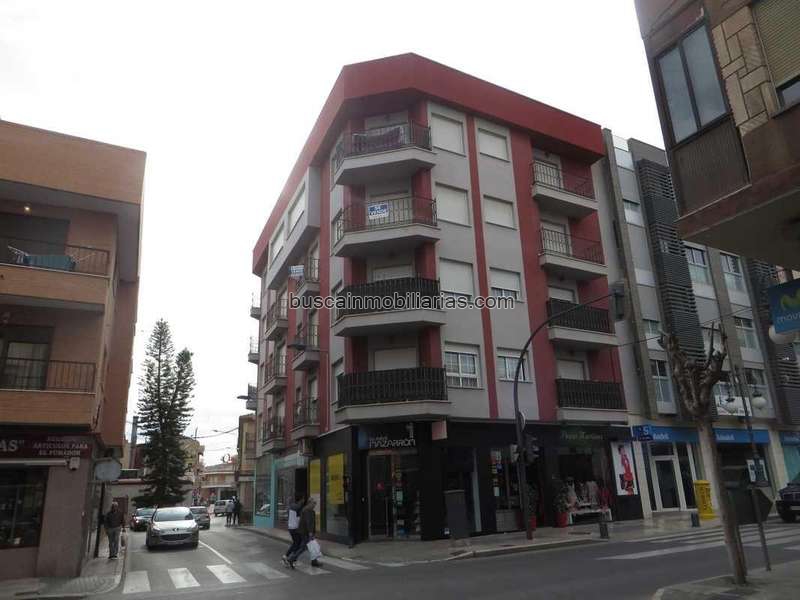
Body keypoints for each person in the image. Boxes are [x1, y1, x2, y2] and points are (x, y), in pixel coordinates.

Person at [286, 497, 319, 568]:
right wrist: (310, 532)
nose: (315, 505)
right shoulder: (307, 510)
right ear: (309, 503)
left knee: (311, 546)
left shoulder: (309, 510)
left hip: (306, 532)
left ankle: (314, 561)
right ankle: (291, 559)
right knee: (304, 547)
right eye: (314, 503)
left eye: (315, 503)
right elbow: (308, 522)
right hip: (305, 532)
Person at [282, 494, 304, 565]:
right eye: (303, 499)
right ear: (301, 500)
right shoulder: (298, 507)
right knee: (298, 544)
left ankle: (286, 556)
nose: (304, 500)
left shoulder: (291, 506)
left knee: (295, 543)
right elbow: (299, 519)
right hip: (295, 528)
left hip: (290, 527)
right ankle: (292, 558)